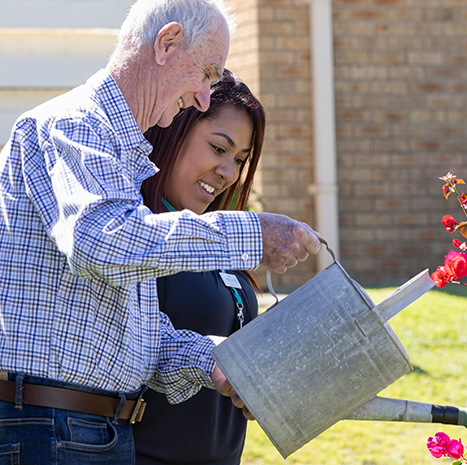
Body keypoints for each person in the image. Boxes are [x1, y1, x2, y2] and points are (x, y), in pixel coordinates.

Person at [0, 1, 322, 464]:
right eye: (206, 73)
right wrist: (251, 232)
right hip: (47, 427)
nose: (202, 98)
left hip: (90, 430)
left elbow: (140, 335)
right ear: (167, 43)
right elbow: (103, 243)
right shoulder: (73, 125)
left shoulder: (120, 158)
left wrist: (219, 362)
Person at [133, 69, 263, 465]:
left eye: (240, 159)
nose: (229, 173)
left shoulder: (218, 239)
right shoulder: (133, 236)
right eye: (218, 148)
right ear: (172, 132)